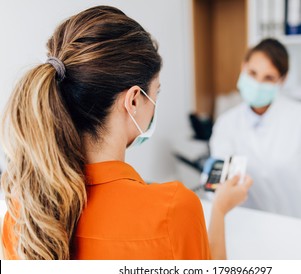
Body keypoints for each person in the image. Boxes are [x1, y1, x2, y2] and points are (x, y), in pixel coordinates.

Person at [0, 6, 252, 260]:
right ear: (133, 100)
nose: (155, 104)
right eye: (156, 93)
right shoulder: (172, 210)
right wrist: (218, 210)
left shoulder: (24, 215)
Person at [210, 38, 301, 226]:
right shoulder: (226, 125)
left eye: (268, 78)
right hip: (253, 229)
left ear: (282, 80)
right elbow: (219, 188)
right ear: (243, 67)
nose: (257, 83)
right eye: (252, 73)